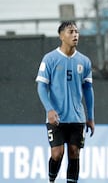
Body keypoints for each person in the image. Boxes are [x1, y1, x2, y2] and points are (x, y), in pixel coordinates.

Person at [36, 21, 95, 183]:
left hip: (77, 117)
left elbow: (88, 90)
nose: (75, 35)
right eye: (71, 32)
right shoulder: (50, 59)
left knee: (74, 153)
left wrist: (90, 117)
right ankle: (51, 180)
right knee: (57, 153)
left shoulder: (84, 61)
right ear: (61, 36)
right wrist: (49, 109)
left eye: (76, 31)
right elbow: (41, 87)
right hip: (57, 117)